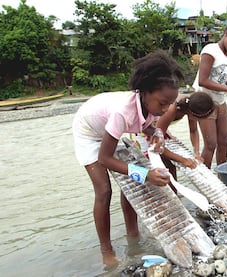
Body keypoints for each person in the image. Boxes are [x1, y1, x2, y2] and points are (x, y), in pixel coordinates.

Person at [72, 51, 183, 267]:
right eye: (162, 103)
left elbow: (144, 124)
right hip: (88, 133)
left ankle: (132, 234)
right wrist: (146, 174)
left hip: (109, 131)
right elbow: (104, 158)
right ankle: (107, 250)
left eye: (169, 104)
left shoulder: (151, 105)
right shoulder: (123, 112)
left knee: (132, 180)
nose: (164, 110)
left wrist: (156, 132)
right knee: (104, 190)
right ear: (144, 92)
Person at [192, 21, 227, 168]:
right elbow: (202, 81)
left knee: (224, 140)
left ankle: (223, 174)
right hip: (203, 101)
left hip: (220, 100)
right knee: (211, 143)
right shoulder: (210, 50)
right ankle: (206, 179)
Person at [155, 92, 215, 180]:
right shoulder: (172, 109)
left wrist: (196, 153)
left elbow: (193, 131)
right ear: (192, 113)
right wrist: (183, 160)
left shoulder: (190, 105)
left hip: (157, 127)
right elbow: (157, 143)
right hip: (143, 129)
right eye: (198, 119)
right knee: (163, 170)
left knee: (170, 170)